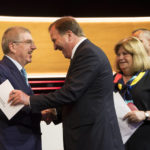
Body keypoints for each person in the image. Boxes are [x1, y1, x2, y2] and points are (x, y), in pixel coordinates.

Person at [8, 17, 124, 150]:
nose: (54, 47)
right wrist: (55, 113)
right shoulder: (84, 53)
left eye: (54, 40)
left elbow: (70, 93)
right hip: (89, 138)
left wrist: (29, 99)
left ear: (69, 35)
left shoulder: (88, 54)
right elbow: (80, 97)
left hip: (95, 139)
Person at [0, 26, 53, 150]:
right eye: (29, 42)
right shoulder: (1, 70)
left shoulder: (19, 72)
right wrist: (40, 114)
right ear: (12, 46)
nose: (34, 47)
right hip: (13, 145)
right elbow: (11, 110)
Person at [113, 36, 150, 150]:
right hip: (117, 141)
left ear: (137, 55)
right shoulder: (112, 79)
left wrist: (145, 115)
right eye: (118, 54)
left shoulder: (148, 77)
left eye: (125, 54)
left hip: (144, 141)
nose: (121, 58)